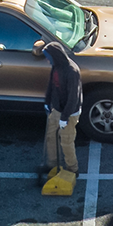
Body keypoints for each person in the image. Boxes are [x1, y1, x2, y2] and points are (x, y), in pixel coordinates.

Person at [35, 36, 82, 186]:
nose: (48, 61)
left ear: (55, 56)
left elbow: (73, 98)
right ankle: (52, 164)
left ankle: (72, 169)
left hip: (69, 112)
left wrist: (65, 117)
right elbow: (51, 86)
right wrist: (47, 102)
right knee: (51, 137)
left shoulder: (72, 71)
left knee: (66, 142)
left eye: (49, 58)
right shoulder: (56, 66)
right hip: (56, 108)